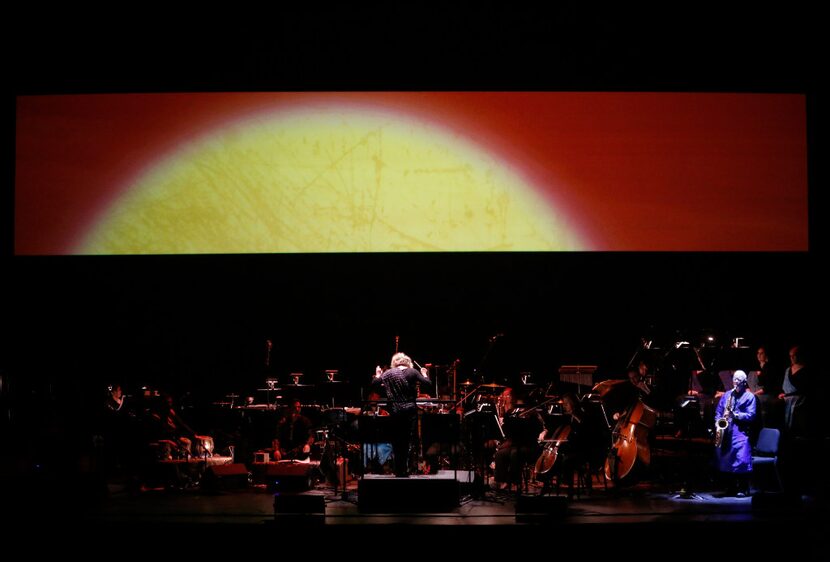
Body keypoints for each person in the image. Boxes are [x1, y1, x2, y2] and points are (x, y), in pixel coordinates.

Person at [371, 352, 431, 477]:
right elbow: (428, 384)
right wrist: (425, 374)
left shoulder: (388, 373)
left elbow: (375, 385)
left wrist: (378, 375)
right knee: (407, 440)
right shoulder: (413, 372)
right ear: (407, 362)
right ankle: (405, 469)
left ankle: (398, 470)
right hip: (409, 411)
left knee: (396, 440)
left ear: (395, 363)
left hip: (395, 411)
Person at [714, 370, 757, 497]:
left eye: (738, 381)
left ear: (744, 382)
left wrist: (736, 415)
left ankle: (743, 488)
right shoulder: (727, 395)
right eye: (734, 380)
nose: (736, 383)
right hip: (727, 431)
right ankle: (730, 487)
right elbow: (719, 411)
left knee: (741, 459)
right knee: (726, 459)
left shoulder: (750, 397)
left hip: (741, 431)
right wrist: (718, 423)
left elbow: (751, 415)